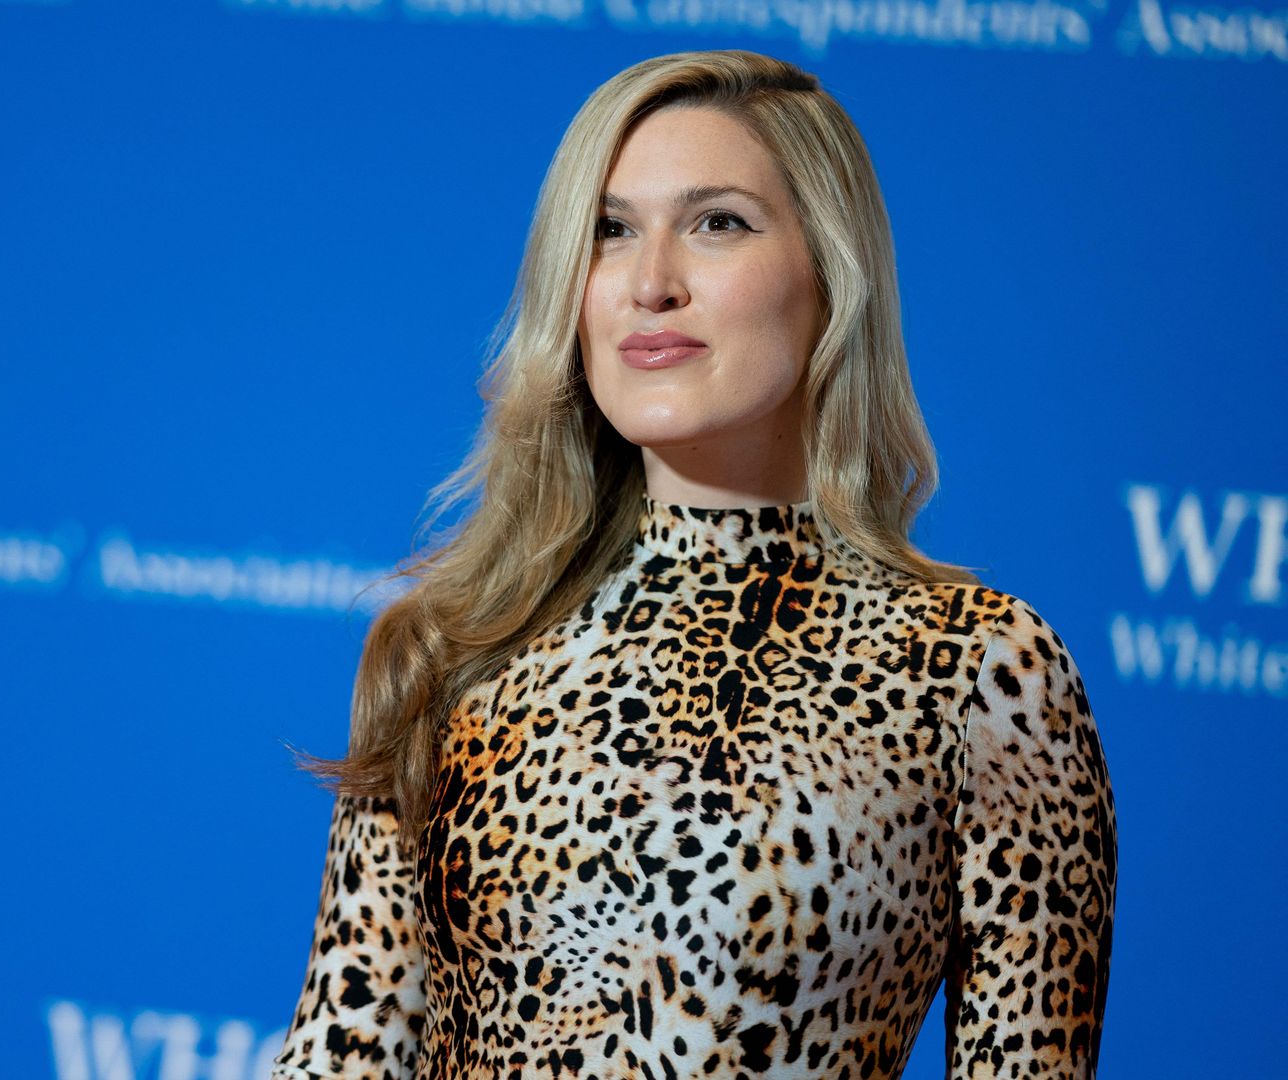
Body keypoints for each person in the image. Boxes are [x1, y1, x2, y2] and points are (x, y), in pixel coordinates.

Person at [268, 49, 1117, 1080]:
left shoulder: (979, 671)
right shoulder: (453, 645)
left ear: (831, 277)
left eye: (719, 223)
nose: (651, 283)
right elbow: (344, 1053)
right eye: (610, 231)